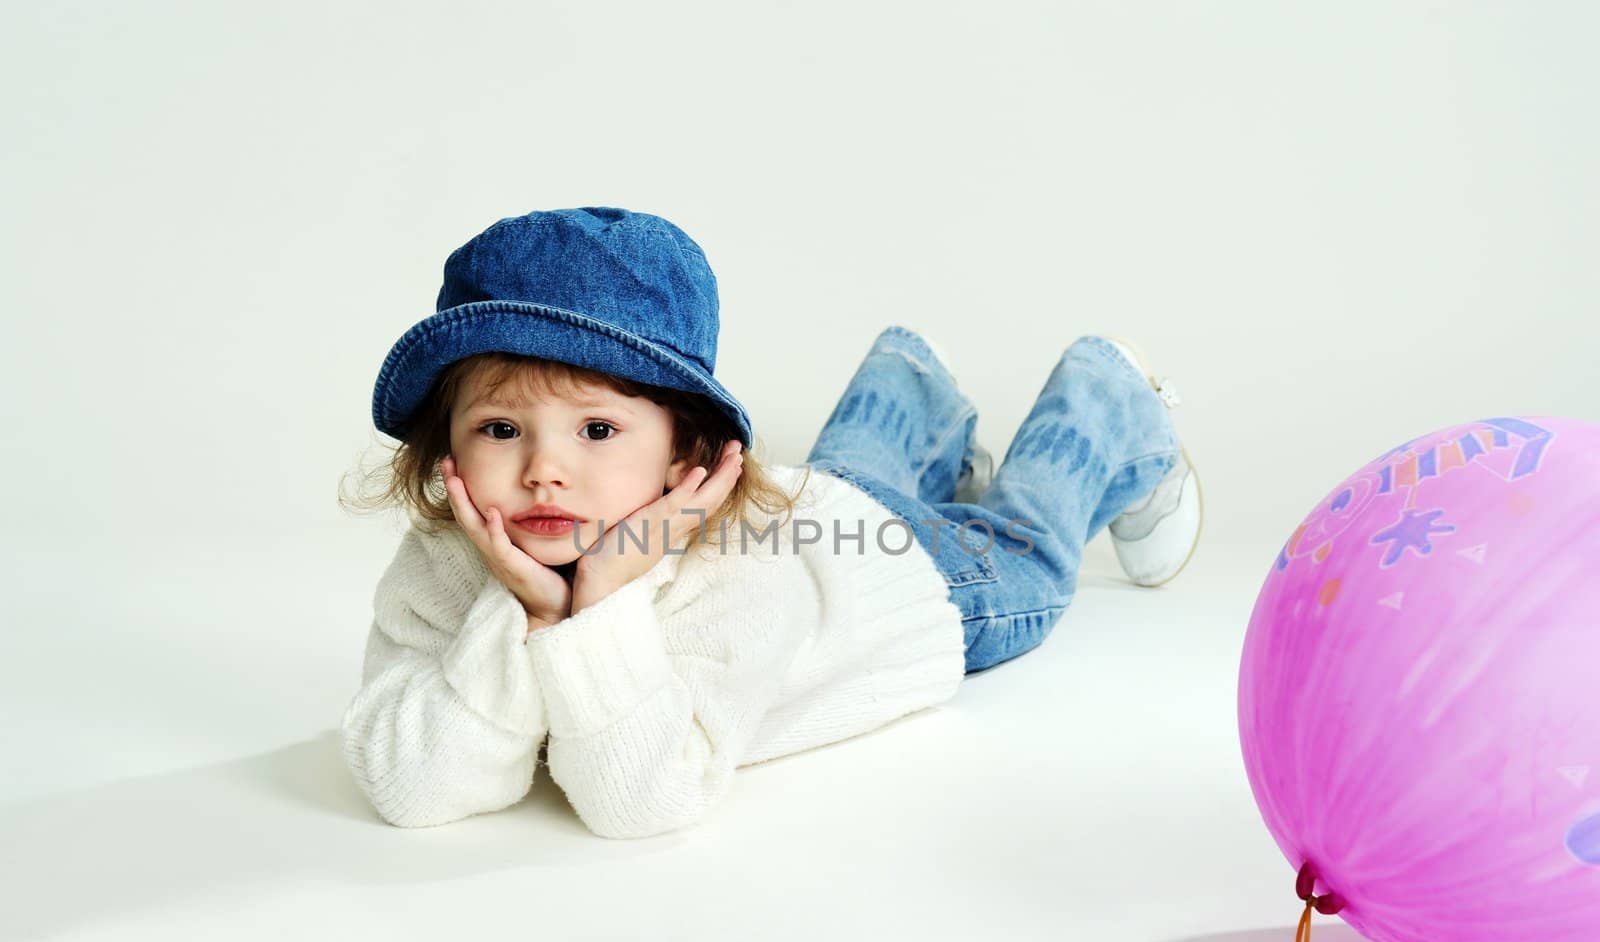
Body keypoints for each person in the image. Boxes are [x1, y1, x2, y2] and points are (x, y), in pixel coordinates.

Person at [337, 206, 1202, 838]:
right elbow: (412, 786)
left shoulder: (734, 570)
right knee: (849, 478)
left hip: (904, 571)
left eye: (597, 430)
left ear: (686, 456)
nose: (544, 468)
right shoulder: (444, 562)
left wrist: (594, 605)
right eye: (499, 429)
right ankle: (908, 384)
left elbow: (644, 800)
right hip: (815, 499)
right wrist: (521, 609)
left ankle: (1108, 400)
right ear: (443, 446)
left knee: (1026, 554)